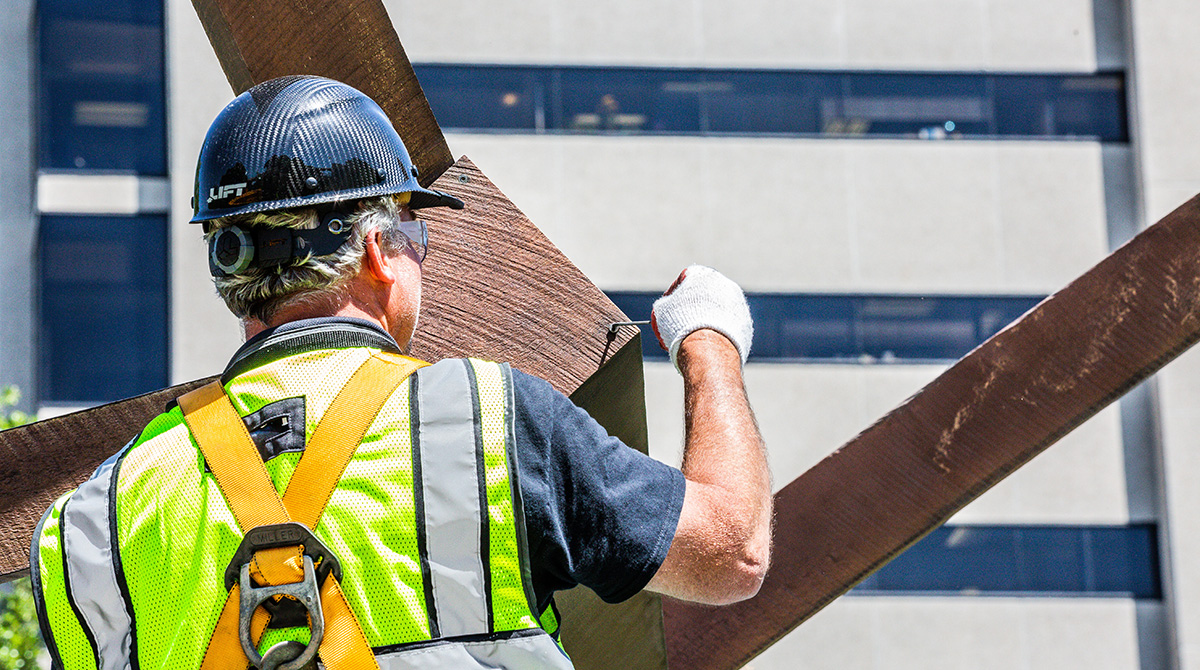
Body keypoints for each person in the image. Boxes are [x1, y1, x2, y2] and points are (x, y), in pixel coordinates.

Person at [30, 76, 771, 670]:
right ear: (381, 252)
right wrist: (710, 344)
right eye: (414, 233)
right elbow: (732, 551)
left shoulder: (98, 514)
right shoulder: (481, 420)